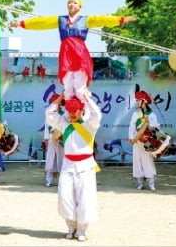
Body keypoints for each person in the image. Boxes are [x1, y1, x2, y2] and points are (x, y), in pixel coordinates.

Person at [11, 0, 136, 101]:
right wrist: (22, 24)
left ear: (80, 6)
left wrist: (121, 19)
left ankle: (86, 112)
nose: (71, 4)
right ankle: (70, 113)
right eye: (69, 2)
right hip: (66, 53)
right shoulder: (60, 19)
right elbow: (42, 22)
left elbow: (103, 19)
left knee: (80, 86)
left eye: (74, 2)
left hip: (79, 52)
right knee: (68, 86)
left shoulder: (86, 20)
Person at [46, 92, 102, 242]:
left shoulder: (89, 124)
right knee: (65, 197)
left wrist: (86, 97)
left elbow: (96, 114)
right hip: (68, 165)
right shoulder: (65, 125)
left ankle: (82, 230)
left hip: (85, 165)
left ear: (81, 110)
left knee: (85, 198)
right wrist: (60, 97)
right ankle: (71, 226)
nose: (71, 114)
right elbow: (50, 114)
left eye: (75, 111)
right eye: (69, 111)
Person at [128, 90, 160, 191]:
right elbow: (132, 127)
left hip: (147, 141)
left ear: (144, 101)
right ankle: (140, 182)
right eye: (136, 100)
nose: (137, 102)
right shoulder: (135, 114)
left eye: (138, 100)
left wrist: (148, 123)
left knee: (148, 161)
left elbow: (156, 127)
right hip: (137, 141)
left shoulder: (151, 114)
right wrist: (132, 137)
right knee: (137, 160)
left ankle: (151, 182)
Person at [43, 93, 64, 187]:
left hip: (62, 140)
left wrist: (61, 135)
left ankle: (62, 181)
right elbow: (47, 126)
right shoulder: (49, 113)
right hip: (52, 139)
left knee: (62, 159)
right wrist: (47, 137)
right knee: (50, 158)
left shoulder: (64, 114)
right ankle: (48, 180)